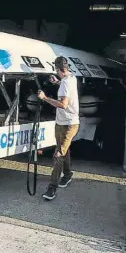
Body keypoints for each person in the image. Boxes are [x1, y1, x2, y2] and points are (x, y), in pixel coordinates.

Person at [37, 56, 80, 201]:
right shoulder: (71, 78)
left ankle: (52, 188)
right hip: (61, 122)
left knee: (58, 154)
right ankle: (67, 174)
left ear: (57, 69)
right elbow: (66, 84)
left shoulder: (66, 84)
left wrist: (44, 98)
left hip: (69, 124)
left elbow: (63, 105)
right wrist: (58, 82)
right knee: (63, 149)